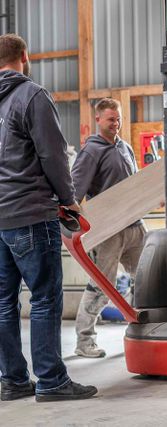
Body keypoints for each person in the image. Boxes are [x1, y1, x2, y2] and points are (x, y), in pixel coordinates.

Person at [0, 34, 97, 402]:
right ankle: (52, 381)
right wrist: (69, 199)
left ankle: (12, 380)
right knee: (43, 298)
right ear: (25, 57)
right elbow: (53, 155)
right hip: (29, 213)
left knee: (3, 301)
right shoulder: (32, 96)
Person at [72, 98, 145, 358]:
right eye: (111, 119)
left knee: (146, 277)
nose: (116, 124)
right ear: (98, 120)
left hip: (134, 225)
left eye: (119, 118)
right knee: (102, 285)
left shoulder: (125, 147)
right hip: (108, 232)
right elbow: (74, 193)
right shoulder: (91, 151)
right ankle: (84, 340)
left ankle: (142, 328)